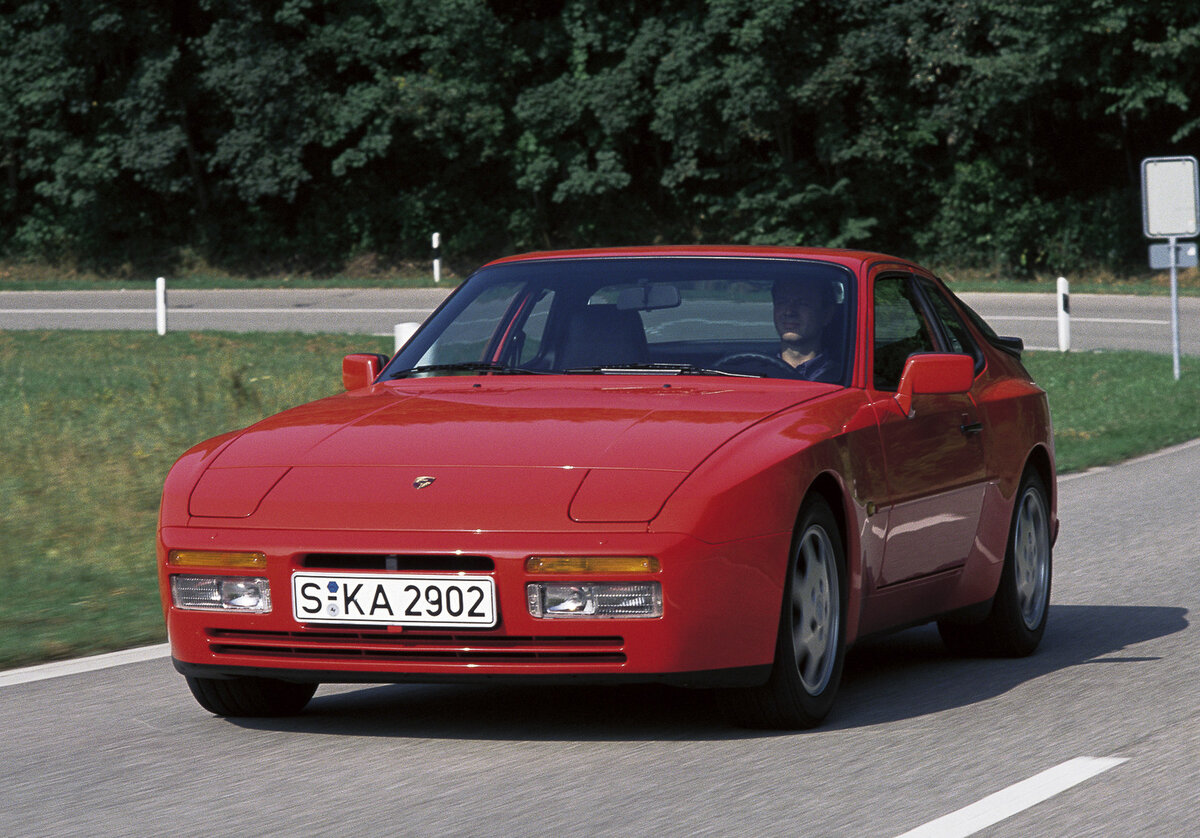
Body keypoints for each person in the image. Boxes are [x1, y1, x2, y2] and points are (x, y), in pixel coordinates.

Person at [771, 278, 838, 381]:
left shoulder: (841, 378)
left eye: (802, 303)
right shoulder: (754, 373)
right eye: (782, 302)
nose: (789, 312)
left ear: (827, 315)